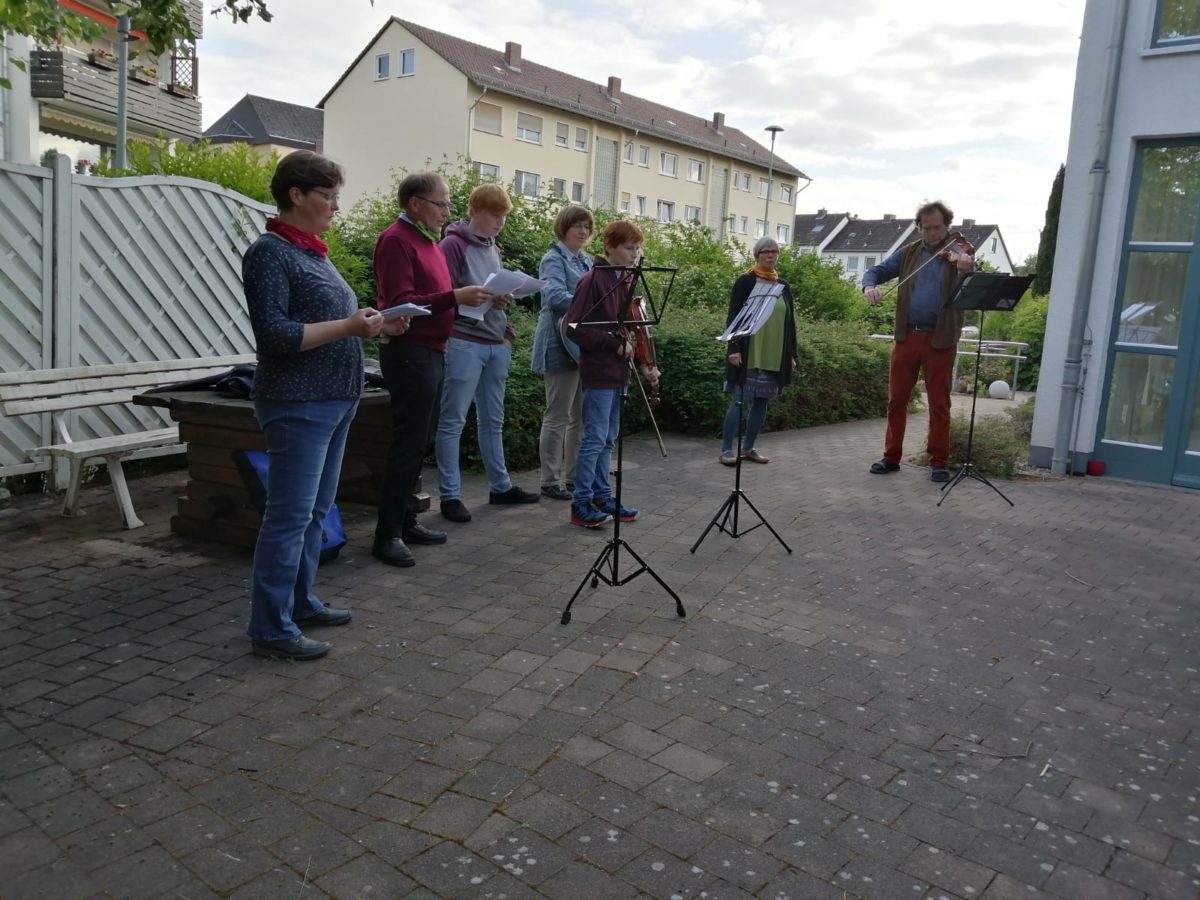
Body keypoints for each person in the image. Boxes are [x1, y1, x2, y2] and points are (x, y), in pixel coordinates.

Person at [243, 150, 402, 661]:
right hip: (297, 403)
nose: (336, 205)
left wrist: (375, 324)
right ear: (297, 195)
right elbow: (276, 336)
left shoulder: (312, 251)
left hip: (334, 400)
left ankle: (299, 601)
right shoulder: (270, 252)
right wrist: (350, 326)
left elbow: (331, 324)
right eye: (328, 195)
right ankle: (269, 627)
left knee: (314, 511)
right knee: (288, 517)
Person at [372, 172, 492, 567]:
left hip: (432, 351)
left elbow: (436, 297)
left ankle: (405, 521)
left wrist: (470, 300)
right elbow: (403, 300)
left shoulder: (427, 241)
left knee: (418, 442)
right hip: (410, 352)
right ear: (415, 204)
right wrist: (456, 296)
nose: (447, 211)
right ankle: (386, 534)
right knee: (407, 444)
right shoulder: (396, 240)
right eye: (441, 204)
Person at [435, 184, 539, 523]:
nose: (500, 222)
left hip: (495, 340)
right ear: (476, 210)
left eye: (504, 216)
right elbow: (440, 294)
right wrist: (467, 296)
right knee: (453, 420)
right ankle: (450, 495)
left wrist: (502, 296)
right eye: (495, 215)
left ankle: (500, 485)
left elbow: (489, 285)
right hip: (464, 340)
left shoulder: (492, 246)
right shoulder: (452, 244)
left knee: (492, 420)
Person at [862, 200, 975, 482]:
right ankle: (891, 457)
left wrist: (963, 269)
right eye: (927, 229)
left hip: (940, 337)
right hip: (907, 335)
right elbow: (875, 271)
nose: (933, 234)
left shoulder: (960, 251)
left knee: (939, 402)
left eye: (938, 228)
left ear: (947, 226)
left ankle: (939, 461)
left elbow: (972, 285)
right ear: (919, 228)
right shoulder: (909, 252)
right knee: (896, 399)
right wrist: (869, 286)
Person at [565, 220, 659, 528]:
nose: (636, 254)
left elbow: (622, 327)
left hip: (617, 372)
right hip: (599, 371)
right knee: (594, 439)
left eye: (637, 248)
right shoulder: (593, 280)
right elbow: (574, 328)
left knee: (608, 439)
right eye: (630, 248)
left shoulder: (621, 281)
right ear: (610, 247)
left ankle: (602, 496)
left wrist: (636, 352)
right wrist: (615, 343)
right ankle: (580, 504)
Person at [718, 236, 798, 466]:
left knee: (763, 402)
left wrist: (791, 354)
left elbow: (790, 322)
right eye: (765, 252)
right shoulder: (745, 281)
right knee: (740, 400)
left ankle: (749, 448)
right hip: (750, 350)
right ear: (757, 255)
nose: (770, 255)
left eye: (774, 251)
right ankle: (726, 450)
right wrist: (734, 348)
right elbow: (733, 316)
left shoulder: (783, 286)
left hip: (774, 353)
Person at [533, 205, 594, 500]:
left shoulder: (587, 261)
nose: (583, 231)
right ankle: (549, 480)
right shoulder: (552, 258)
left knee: (579, 417)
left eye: (586, 227)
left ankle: (572, 477)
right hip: (557, 344)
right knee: (557, 415)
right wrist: (593, 305)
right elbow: (556, 297)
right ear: (564, 227)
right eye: (577, 226)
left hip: (581, 345)